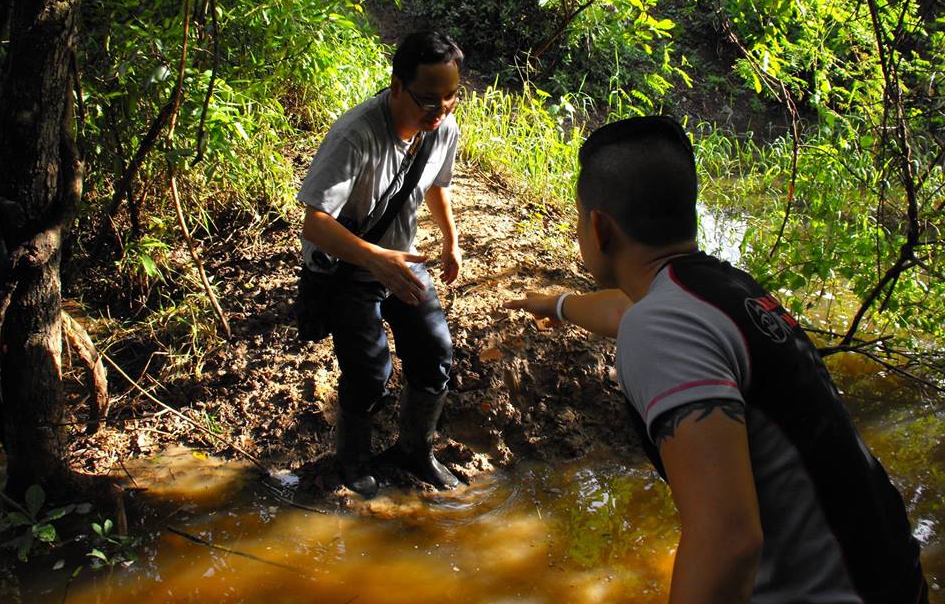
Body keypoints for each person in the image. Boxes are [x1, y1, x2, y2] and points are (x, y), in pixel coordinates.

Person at [505, 115, 928, 603]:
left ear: (599, 227)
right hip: (894, 574)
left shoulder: (661, 327)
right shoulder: (720, 287)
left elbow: (728, 541)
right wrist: (555, 304)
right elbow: (627, 310)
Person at [297, 31, 464, 497]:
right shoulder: (357, 134)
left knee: (434, 353)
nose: (441, 110)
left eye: (451, 97)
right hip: (349, 266)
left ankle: (414, 450)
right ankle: (352, 458)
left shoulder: (442, 127)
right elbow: (315, 222)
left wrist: (451, 241)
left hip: (400, 259)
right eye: (429, 99)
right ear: (396, 87)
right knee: (370, 369)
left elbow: (436, 184)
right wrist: (375, 258)